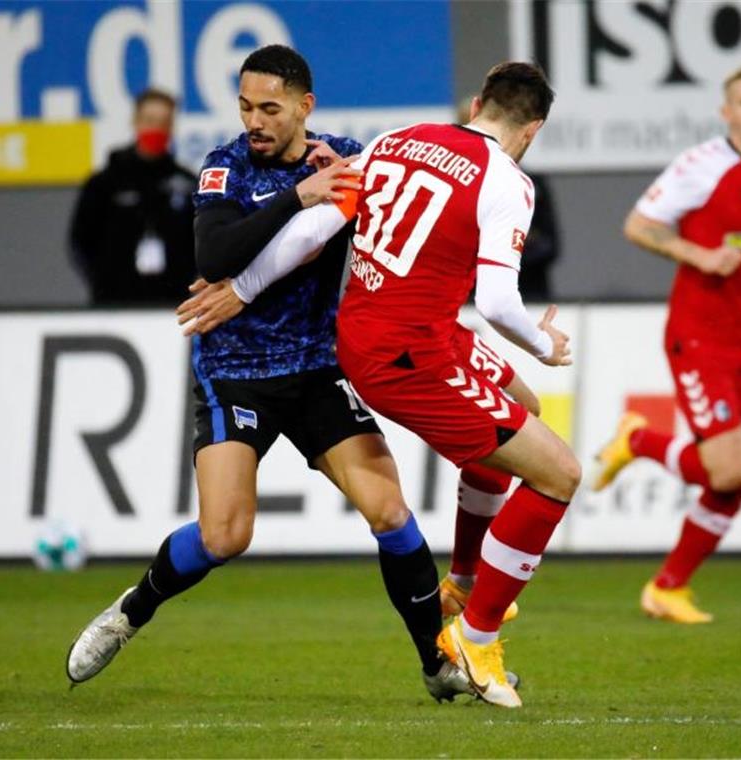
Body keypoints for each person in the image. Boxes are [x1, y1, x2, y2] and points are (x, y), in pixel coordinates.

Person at [65, 45, 488, 703]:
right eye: (244, 106)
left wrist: (328, 190)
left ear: (304, 107)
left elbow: (356, 221)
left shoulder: (342, 156)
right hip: (233, 369)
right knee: (225, 535)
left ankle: (438, 665)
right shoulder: (222, 169)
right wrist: (297, 194)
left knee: (391, 511)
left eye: (268, 108)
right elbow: (214, 251)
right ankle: (133, 610)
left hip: (318, 368)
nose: (254, 121)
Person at [181, 62, 578, 708]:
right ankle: (474, 639)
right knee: (558, 473)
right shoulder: (508, 180)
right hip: (409, 355)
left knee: (520, 408)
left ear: (477, 103)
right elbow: (502, 304)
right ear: (531, 131)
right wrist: (545, 343)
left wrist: (244, 287)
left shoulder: (395, 139)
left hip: (378, 335)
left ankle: (466, 581)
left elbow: (316, 228)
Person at [589, 63, 741, 624]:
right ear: (727, 113)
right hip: (700, 333)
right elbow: (638, 224)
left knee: (740, 475)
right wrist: (700, 255)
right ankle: (641, 441)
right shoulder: (702, 165)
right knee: (726, 472)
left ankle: (668, 588)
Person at [68, 88, 198, 306]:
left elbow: (202, 242)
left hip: (173, 303)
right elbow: (81, 241)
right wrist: (102, 283)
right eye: (149, 120)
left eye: (163, 122)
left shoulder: (186, 184)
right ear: (136, 121)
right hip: (113, 302)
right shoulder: (104, 183)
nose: (156, 128)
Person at [458, 96, 561, 300]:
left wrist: (503, 253)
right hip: (469, 300)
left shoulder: (530, 182)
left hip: (527, 295)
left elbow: (550, 246)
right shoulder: (455, 180)